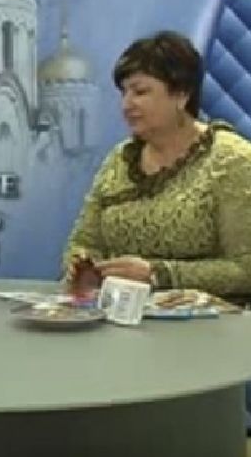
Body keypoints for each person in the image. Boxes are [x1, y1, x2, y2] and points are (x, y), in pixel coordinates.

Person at [63, 30, 251, 299]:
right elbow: (84, 242)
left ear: (181, 95)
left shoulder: (232, 159)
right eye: (124, 92)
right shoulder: (120, 158)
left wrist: (159, 274)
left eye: (140, 92)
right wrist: (82, 267)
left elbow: (245, 269)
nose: (127, 104)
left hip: (211, 321)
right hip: (119, 316)